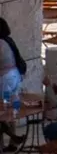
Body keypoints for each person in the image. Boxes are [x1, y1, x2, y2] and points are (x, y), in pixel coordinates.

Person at [0, 18, 23, 146]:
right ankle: (13, 141)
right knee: (10, 110)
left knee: (2, 110)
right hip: (14, 78)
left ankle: (1, 146)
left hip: (4, 82)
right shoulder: (9, 41)